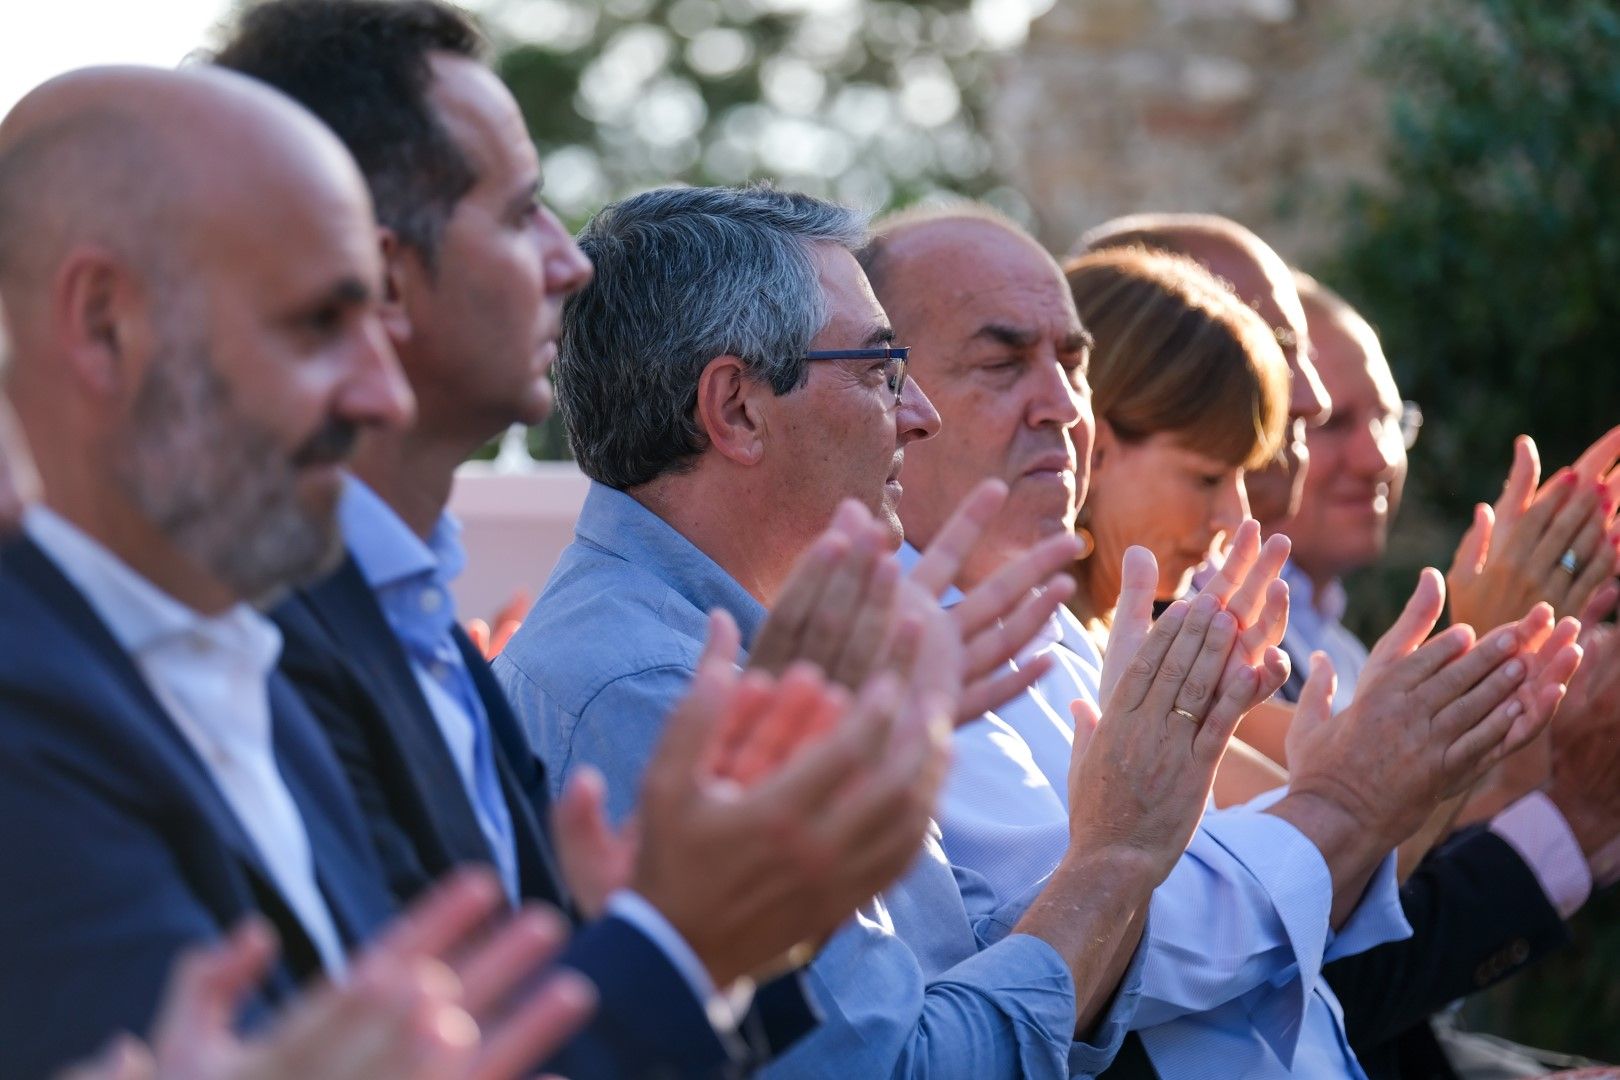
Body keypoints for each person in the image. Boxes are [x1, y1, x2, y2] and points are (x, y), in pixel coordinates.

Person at [215, 3, 915, 1073]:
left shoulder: (422, 627)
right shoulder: (252, 646)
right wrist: (1108, 873)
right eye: (519, 213)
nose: (569, 261)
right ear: (389, 277)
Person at [496, 182, 1278, 1077]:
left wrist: (1124, 837)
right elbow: (894, 1064)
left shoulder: (734, 646)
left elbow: (941, 962)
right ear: (738, 408)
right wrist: (1116, 856)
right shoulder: (649, 691)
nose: (920, 415)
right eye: (878, 371)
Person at [857, 204, 1579, 1080]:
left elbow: (1299, 898)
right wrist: (1371, 788)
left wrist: (1398, 773)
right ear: (889, 393)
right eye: (1003, 363)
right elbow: (1105, 966)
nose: (1059, 405)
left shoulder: (1061, 632)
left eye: (1072, 363)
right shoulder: (894, 651)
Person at [0, 64, 606, 1078]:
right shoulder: (28, 720)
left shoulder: (246, 664)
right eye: (318, 324)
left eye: (374, 319)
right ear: (103, 324)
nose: (383, 394)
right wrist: (679, 944)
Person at [1271, 272, 1620, 1079]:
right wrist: (1480, 664)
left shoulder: (1341, 645)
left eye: (1393, 418)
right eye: (1327, 422)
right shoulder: (1208, 651)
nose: (1379, 456)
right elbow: (1310, 976)